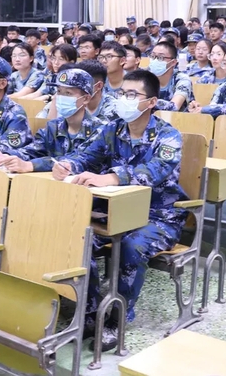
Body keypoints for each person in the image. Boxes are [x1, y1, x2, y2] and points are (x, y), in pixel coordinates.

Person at [53, 69, 188, 350]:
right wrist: (68, 165)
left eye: (132, 94)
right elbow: (87, 156)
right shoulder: (112, 129)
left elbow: (156, 171)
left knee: (131, 246)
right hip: (115, 210)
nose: (124, 99)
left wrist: (113, 177)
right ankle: (90, 313)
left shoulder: (168, 136)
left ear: (151, 102)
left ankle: (117, 318)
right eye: (122, 93)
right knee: (80, 238)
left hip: (159, 216)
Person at [0, 69, 102, 173]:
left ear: (86, 99)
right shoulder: (53, 126)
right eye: (59, 91)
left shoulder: (99, 129)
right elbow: (33, 150)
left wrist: (31, 165)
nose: (61, 97)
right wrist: (6, 155)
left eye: (68, 93)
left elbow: (76, 159)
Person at [148, 41, 193, 111]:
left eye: (160, 57)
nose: (155, 60)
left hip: (176, 117)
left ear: (173, 62)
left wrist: (146, 102)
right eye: (153, 56)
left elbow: (174, 107)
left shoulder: (182, 79)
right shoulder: (145, 77)